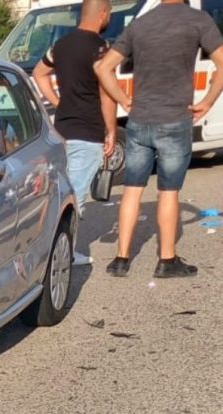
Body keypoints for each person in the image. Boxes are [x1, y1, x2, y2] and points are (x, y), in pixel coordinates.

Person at [95, 0, 223, 278]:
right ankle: (166, 260)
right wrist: (208, 102)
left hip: (140, 119)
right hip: (175, 119)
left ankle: (121, 258)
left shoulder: (140, 24)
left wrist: (123, 99)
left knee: (132, 189)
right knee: (168, 191)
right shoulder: (198, 20)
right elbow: (222, 62)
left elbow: (104, 68)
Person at [32, 0, 116, 265]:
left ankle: (58, 249)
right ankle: (64, 254)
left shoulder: (61, 46)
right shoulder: (102, 49)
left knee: (61, 190)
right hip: (89, 130)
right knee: (76, 194)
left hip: (63, 129)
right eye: (109, 13)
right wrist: (111, 130)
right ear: (102, 14)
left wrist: (58, 102)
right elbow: (107, 95)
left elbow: (39, 73)